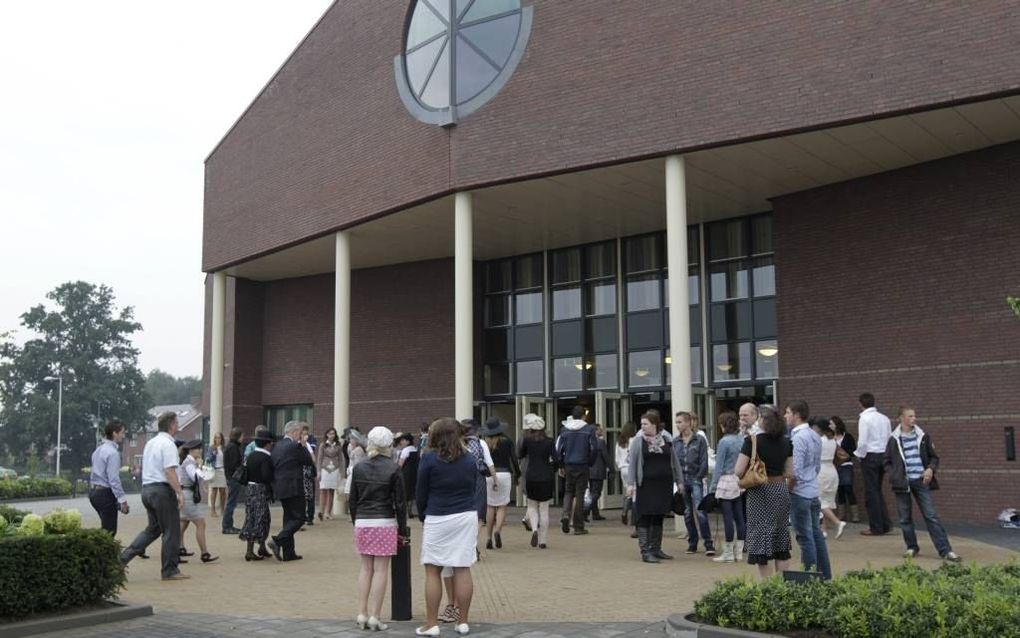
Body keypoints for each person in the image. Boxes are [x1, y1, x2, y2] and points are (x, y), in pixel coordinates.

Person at [416, 417, 478, 637]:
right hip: (465, 514)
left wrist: (423, 514)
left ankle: (432, 623)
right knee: (463, 567)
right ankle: (463, 621)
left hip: (437, 515)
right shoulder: (470, 460)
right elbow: (473, 488)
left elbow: (421, 491)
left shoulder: (429, 459)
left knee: (433, 569)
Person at [350, 426, 409, 631]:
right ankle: (375, 615)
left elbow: (352, 500)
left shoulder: (359, 467)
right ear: (389, 446)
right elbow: (400, 504)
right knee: (381, 570)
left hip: (363, 521)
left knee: (365, 568)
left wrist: (356, 521)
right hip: (384, 521)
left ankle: (361, 612)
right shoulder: (394, 468)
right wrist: (402, 529)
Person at [885, 406, 961, 562]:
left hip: (921, 481)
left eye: (914, 416)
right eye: (910, 416)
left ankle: (945, 550)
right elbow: (886, 461)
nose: (914, 419)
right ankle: (912, 547)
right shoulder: (893, 439)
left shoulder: (923, 436)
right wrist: (894, 475)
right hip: (903, 482)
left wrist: (930, 470)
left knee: (931, 515)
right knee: (905, 518)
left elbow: (934, 458)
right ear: (901, 418)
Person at [121, 411, 188, 580]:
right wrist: (179, 492)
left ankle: (122, 559)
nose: (178, 426)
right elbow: (169, 470)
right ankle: (170, 570)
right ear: (172, 425)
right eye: (177, 423)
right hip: (162, 491)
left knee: (153, 530)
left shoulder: (150, 443)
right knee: (171, 530)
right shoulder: (169, 444)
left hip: (147, 490)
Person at [735, 405, 793, 579]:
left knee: (761, 538)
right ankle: (783, 584)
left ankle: (767, 586)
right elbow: (790, 472)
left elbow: (738, 471)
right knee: (781, 539)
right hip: (780, 490)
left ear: (762, 421)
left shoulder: (752, 441)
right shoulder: (786, 442)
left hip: (760, 492)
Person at [626, 410, 684, 563]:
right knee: (645, 516)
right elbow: (632, 464)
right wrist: (630, 484)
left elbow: (675, 462)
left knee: (659, 515)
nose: (642, 427)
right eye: (642, 424)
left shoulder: (666, 440)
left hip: (663, 485)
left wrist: (680, 481)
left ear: (655, 425)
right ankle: (645, 551)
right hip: (646, 485)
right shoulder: (638, 442)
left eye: (645, 424)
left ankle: (656, 548)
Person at [785, 401, 831, 580]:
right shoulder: (814, 435)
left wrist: (789, 490)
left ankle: (808, 579)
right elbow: (817, 466)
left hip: (800, 493)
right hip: (813, 491)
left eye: (788, 412)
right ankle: (825, 576)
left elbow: (794, 472)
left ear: (796, 414)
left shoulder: (797, 438)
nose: (785, 416)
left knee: (805, 538)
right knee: (816, 535)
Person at [268, 421, 316, 562]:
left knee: (289, 518)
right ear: (294, 432)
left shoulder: (277, 446)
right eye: (300, 433)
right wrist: (302, 445)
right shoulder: (295, 446)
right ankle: (277, 540)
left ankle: (289, 553)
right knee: (300, 518)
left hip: (281, 487)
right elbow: (308, 461)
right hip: (294, 486)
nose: (301, 435)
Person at [674, 411, 715, 556]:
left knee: (700, 511)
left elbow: (703, 460)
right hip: (682, 481)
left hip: (695, 478)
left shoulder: (699, 440)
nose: (677, 425)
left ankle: (708, 543)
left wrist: (699, 476)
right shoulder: (676, 442)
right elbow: (674, 463)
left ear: (688, 422)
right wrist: (678, 480)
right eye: (676, 422)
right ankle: (692, 543)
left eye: (680, 422)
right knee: (687, 513)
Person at [854, 392, 893, 536]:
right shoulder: (884, 418)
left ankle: (876, 527)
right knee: (877, 490)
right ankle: (885, 524)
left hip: (870, 456)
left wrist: (859, 455)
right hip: (883, 455)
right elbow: (890, 438)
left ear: (861, 403)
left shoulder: (864, 418)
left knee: (871, 493)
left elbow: (863, 441)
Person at [709, 412, 745, 563]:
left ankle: (728, 553)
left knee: (727, 518)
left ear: (724, 426)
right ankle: (739, 552)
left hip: (725, 480)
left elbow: (719, 466)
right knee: (739, 517)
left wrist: (713, 486)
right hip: (738, 480)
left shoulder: (724, 442)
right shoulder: (741, 440)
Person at [481, 417, 520, 550]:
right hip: (505, 474)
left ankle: (488, 537)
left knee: (490, 506)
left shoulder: (484, 443)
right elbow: (513, 459)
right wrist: (518, 473)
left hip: (490, 475)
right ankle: (498, 530)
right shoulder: (507, 441)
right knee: (502, 506)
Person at [556, 405, 596, 535]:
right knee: (579, 494)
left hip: (568, 464)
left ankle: (565, 515)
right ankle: (578, 525)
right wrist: (590, 461)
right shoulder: (588, 429)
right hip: (582, 464)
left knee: (568, 491)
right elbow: (593, 448)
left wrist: (561, 464)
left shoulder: (564, 430)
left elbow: (559, 449)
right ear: (583, 416)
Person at [176, 440, 219, 564]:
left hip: (186, 494)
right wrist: (200, 465)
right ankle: (204, 553)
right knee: (201, 523)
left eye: (200, 449)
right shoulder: (189, 463)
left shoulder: (190, 461)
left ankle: (178, 548)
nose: (200, 451)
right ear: (190, 450)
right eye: (197, 449)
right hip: (188, 495)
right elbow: (194, 477)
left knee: (183, 523)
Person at [518, 413, 555, 549]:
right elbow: (556, 459)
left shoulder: (527, 441)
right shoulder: (550, 441)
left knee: (532, 506)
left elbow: (520, 454)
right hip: (546, 476)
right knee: (544, 509)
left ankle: (534, 530)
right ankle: (543, 540)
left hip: (531, 476)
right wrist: (554, 469)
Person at [89, 420, 130, 537]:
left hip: (94, 492)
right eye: (122, 432)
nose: (123, 435)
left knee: (105, 528)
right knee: (109, 531)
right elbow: (113, 479)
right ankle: (103, 554)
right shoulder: (113, 453)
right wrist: (122, 500)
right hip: (105, 494)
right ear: (114, 433)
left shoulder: (98, 450)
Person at [239, 429, 274, 561]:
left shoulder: (252, 455)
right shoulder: (265, 457)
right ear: (268, 443)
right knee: (260, 519)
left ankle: (261, 547)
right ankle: (251, 550)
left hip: (250, 488)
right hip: (260, 489)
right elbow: (266, 476)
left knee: (253, 517)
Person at [811, 418, 847, 540]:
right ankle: (824, 529)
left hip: (821, 470)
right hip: (832, 470)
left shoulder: (818, 440)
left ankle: (837, 522)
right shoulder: (833, 440)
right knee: (827, 501)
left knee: (819, 501)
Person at [832, 416, 859, 523]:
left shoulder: (847, 437)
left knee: (848, 487)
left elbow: (853, 450)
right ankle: (842, 515)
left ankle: (855, 515)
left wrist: (845, 454)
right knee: (840, 489)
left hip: (846, 464)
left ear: (837, 425)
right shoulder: (830, 438)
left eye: (832, 424)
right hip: (835, 466)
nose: (830, 426)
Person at [316, 427, 344, 521]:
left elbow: (341, 459)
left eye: (333, 433)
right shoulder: (323, 445)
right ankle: (321, 511)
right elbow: (319, 458)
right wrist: (318, 471)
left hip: (335, 469)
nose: (332, 435)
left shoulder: (338, 446)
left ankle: (328, 512)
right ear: (326, 435)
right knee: (323, 490)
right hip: (325, 469)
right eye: (330, 433)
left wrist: (342, 472)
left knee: (331, 491)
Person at [222, 426, 245, 535]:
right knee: (231, 503)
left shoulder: (230, 446)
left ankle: (228, 525)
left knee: (231, 502)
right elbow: (234, 464)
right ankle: (227, 526)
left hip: (230, 477)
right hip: (234, 478)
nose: (243, 438)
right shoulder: (233, 448)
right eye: (242, 436)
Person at [586, 424, 611, 522]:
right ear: (595, 431)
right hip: (598, 470)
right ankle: (586, 510)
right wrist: (611, 468)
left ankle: (595, 514)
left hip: (589, 470)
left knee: (592, 492)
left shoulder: (587, 441)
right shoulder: (600, 442)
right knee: (596, 493)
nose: (601, 431)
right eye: (600, 429)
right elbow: (606, 456)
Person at [617, 421, 637, 533]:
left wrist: (619, 466)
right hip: (631, 468)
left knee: (627, 491)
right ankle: (627, 511)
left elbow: (616, 457)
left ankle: (624, 510)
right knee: (634, 494)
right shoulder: (634, 440)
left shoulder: (620, 442)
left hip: (623, 469)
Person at [397, 433, 420, 516]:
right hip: (414, 473)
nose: (401, 442)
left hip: (405, 474)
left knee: (405, 491)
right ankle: (410, 510)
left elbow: (400, 464)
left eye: (403, 440)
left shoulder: (405, 450)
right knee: (412, 492)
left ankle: (406, 511)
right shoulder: (415, 449)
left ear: (407, 441)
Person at [206, 432, 227, 517]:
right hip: (214, 471)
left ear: (222, 439)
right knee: (214, 491)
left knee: (222, 491)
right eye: (216, 438)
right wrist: (213, 455)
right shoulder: (211, 448)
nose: (218, 439)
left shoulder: (224, 448)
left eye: (219, 438)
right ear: (214, 439)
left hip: (222, 470)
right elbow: (207, 460)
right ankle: (213, 510)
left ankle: (222, 509)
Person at [300, 425, 317, 526]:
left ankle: (310, 516)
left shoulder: (308, 445)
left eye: (306, 434)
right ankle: (301, 516)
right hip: (299, 472)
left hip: (308, 472)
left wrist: (306, 445)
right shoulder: (296, 445)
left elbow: (313, 459)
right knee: (301, 496)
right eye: (303, 434)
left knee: (310, 495)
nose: (305, 436)